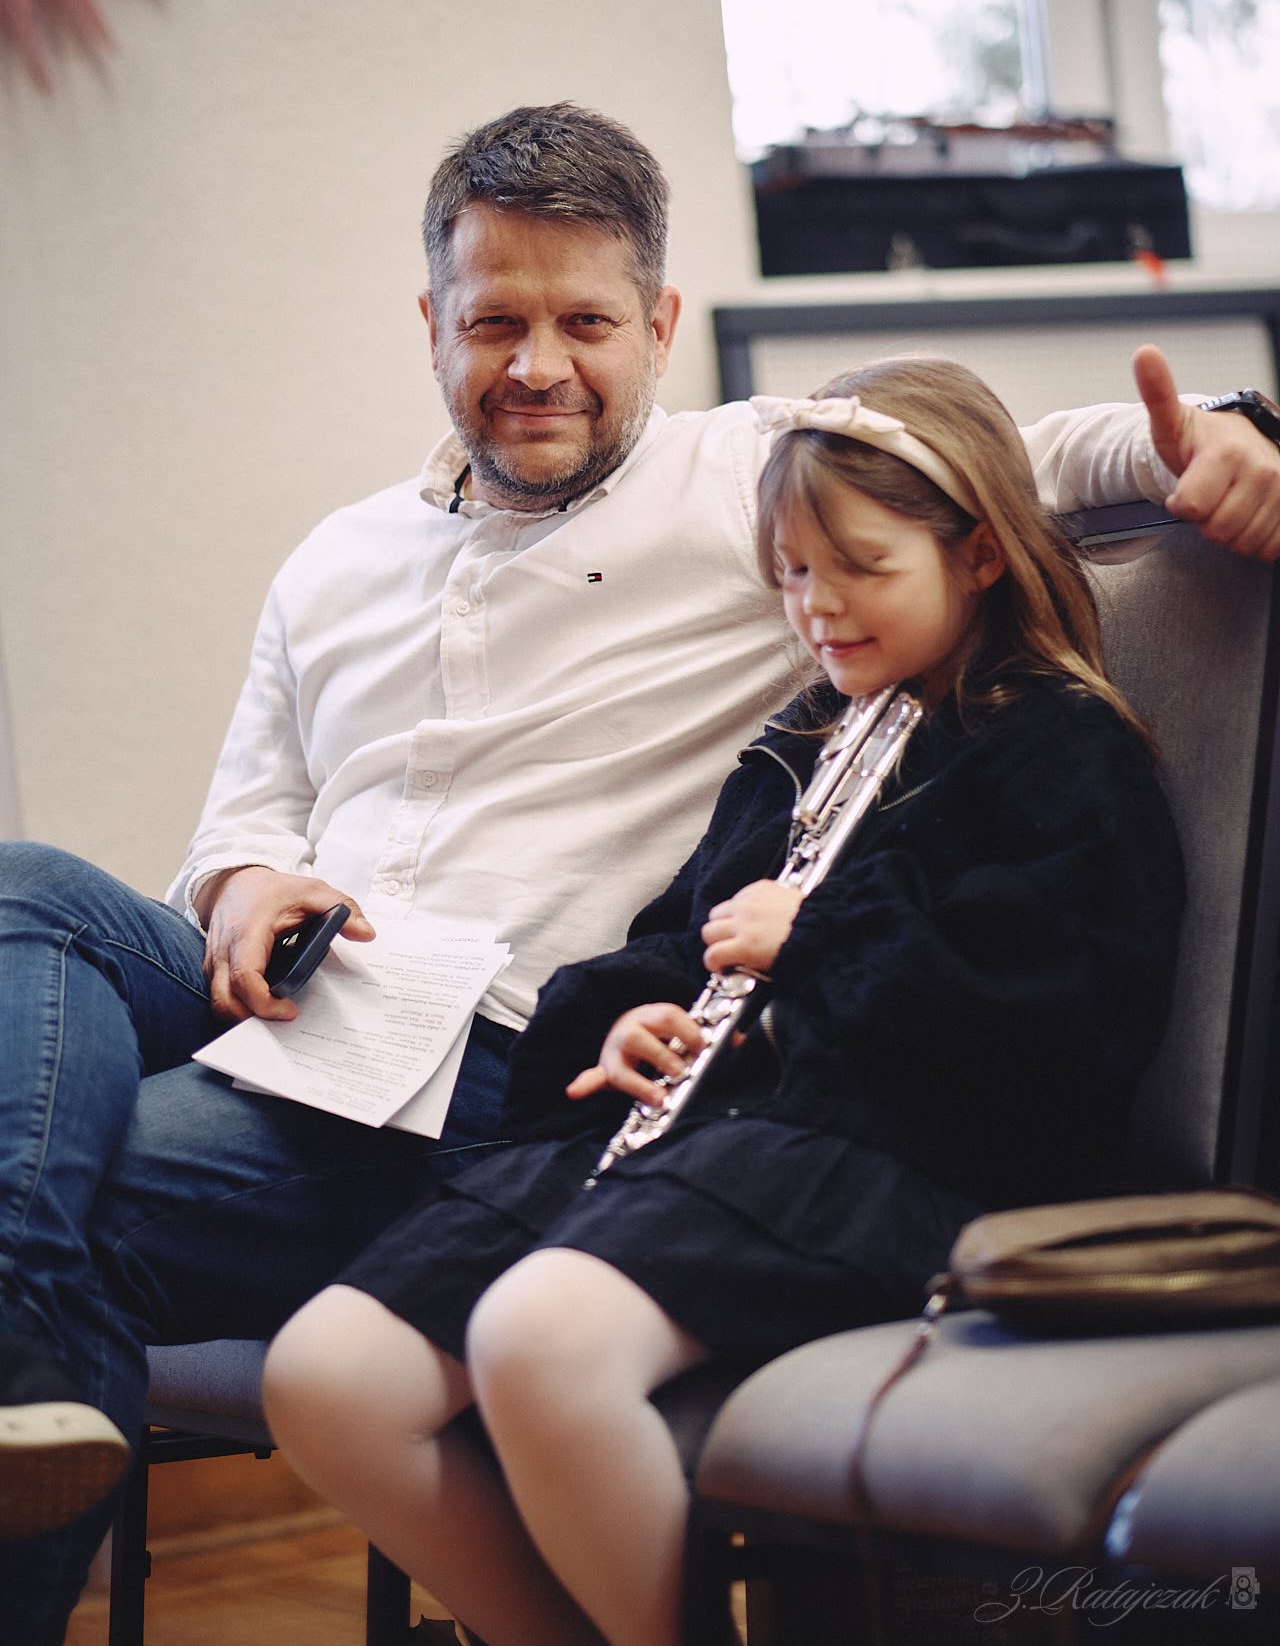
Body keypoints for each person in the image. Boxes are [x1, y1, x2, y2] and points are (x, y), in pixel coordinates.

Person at [0, 103, 1270, 1639]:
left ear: (660, 327)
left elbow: (1015, 460)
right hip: (300, 1006)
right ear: (432, 324)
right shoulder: (334, 557)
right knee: (24, 889)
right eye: (495, 321)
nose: (539, 365)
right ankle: (27, 1322)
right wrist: (243, 884)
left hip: (485, 1056)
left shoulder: (753, 477)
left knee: (40, 1217)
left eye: (587, 323)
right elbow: (239, 817)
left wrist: (1221, 433)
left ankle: (26, 1331)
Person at [262, 355, 1185, 1646]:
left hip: (902, 1165)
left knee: (539, 1339)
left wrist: (818, 938)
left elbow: (1061, 1027)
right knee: (327, 1380)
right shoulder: (805, 737)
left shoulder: (1061, 749)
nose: (819, 606)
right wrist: (636, 1019)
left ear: (980, 554)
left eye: (860, 567)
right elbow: (686, 936)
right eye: (793, 573)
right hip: (716, 1139)